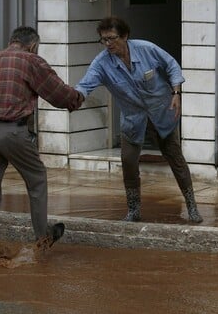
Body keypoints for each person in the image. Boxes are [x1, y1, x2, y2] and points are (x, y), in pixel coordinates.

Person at [0, 27, 84, 252]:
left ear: (11, 41)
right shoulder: (32, 61)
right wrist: (77, 98)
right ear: (33, 45)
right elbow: (58, 94)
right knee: (36, 179)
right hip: (12, 131)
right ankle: (43, 237)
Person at [75, 17, 203, 223]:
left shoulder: (146, 49)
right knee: (128, 161)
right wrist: (73, 98)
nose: (108, 44)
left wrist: (176, 92)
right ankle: (133, 210)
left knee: (175, 159)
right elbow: (85, 85)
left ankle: (192, 207)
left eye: (112, 39)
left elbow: (171, 65)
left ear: (125, 36)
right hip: (133, 119)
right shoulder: (101, 63)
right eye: (104, 40)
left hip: (162, 112)